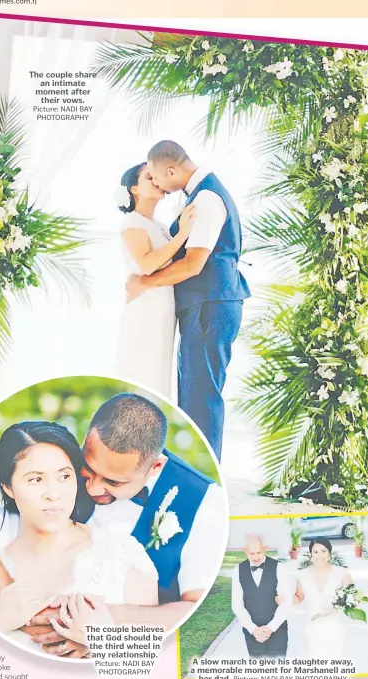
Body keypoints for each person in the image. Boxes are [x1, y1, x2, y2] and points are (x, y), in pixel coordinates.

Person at [0, 393, 227, 659]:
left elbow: (197, 613)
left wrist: (103, 632)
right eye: (89, 471)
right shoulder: (50, 475)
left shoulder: (204, 503)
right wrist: (29, 618)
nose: (92, 488)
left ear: (155, 468)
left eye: (113, 482)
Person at [0, 420, 158, 656]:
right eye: (36, 479)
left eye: (64, 476)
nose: (53, 494)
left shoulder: (124, 558)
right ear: (8, 486)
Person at [126, 141, 251, 461]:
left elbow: (194, 263)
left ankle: (206, 480)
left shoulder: (206, 198)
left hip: (210, 305)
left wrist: (144, 283)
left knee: (201, 397)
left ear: (171, 170)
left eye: (156, 176)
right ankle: (197, 473)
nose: (158, 183)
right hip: (206, 305)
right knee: (195, 395)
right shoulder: (203, 195)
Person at [114, 162, 196, 398]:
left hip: (163, 309)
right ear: (134, 189)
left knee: (158, 374)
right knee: (143, 371)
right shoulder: (132, 223)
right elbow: (147, 264)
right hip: (146, 308)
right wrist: (182, 234)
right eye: (150, 177)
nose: (157, 181)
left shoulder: (159, 227)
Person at [232, 533, 292, 658]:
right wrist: (253, 629)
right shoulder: (237, 571)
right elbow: (237, 605)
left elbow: (286, 602)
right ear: (245, 551)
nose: (256, 557)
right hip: (252, 632)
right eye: (252, 554)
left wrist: (271, 628)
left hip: (277, 629)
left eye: (259, 552)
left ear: (265, 548)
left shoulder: (279, 568)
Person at [294, 538, 353, 659]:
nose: (319, 555)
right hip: (313, 625)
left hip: (336, 625)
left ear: (329, 553)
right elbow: (298, 597)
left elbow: (352, 598)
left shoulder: (342, 573)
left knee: (335, 658)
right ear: (310, 554)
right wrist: (281, 600)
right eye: (315, 552)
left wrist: (334, 608)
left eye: (323, 551)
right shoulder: (302, 575)